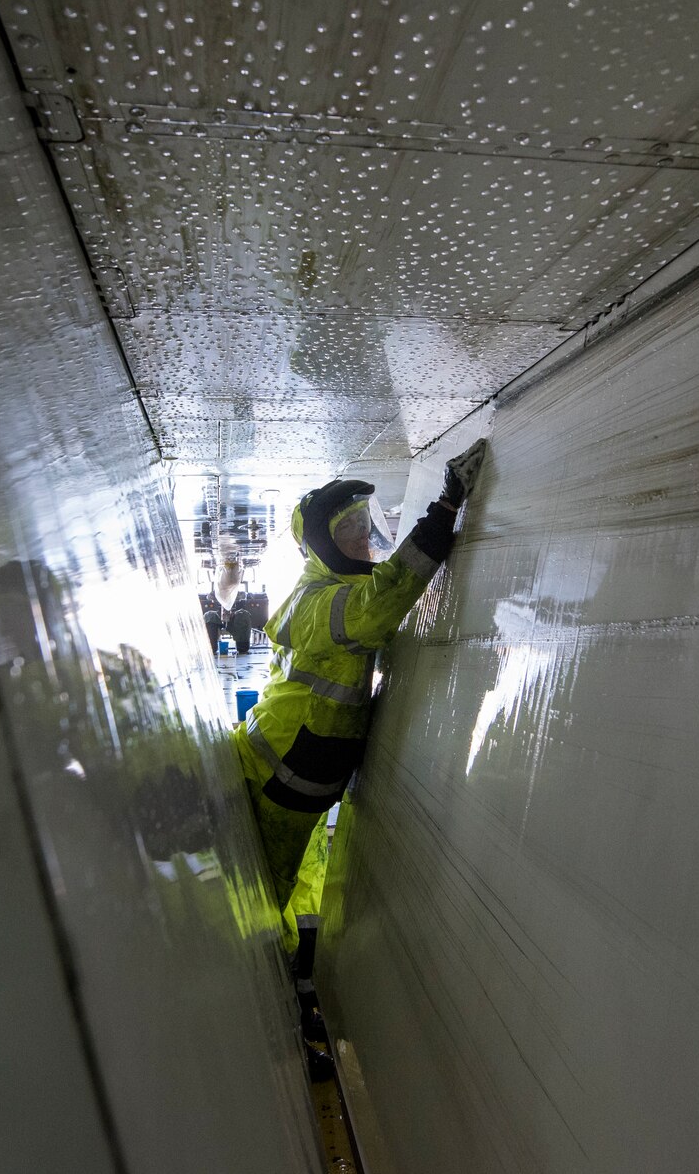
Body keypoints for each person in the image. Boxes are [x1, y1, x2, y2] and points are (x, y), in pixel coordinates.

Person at [232, 439, 489, 1072]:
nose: (361, 540)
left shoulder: (327, 592)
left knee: (299, 891)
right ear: (319, 545)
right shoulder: (328, 604)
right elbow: (383, 602)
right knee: (268, 906)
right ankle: (279, 1035)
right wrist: (446, 507)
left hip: (302, 770)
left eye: (363, 528)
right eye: (346, 532)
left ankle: (297, 999)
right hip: (284, 772)